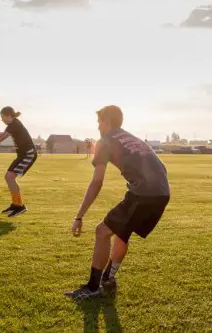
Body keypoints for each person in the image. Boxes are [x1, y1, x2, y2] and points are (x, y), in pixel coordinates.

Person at [65, 105, 170, 301]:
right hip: (162, 192)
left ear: (107, 122)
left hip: (143, 193)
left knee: (102, 231)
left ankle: (93, 287)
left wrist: (79, 216)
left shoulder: (105, 141)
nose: (97, 127)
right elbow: (160, 166)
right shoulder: (131, 137)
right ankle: (108, 278)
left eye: (99, 122)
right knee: (122, 232)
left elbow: (97, 181)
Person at [0, 107, 37, 217]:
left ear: (8, 116)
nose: (2, 120)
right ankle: (16, 204)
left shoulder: (14, 125)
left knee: (10, 177)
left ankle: (20, 206)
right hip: (23, 155)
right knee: (8, 177)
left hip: (28, 154)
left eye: (2, 117)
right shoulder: (13, 124)